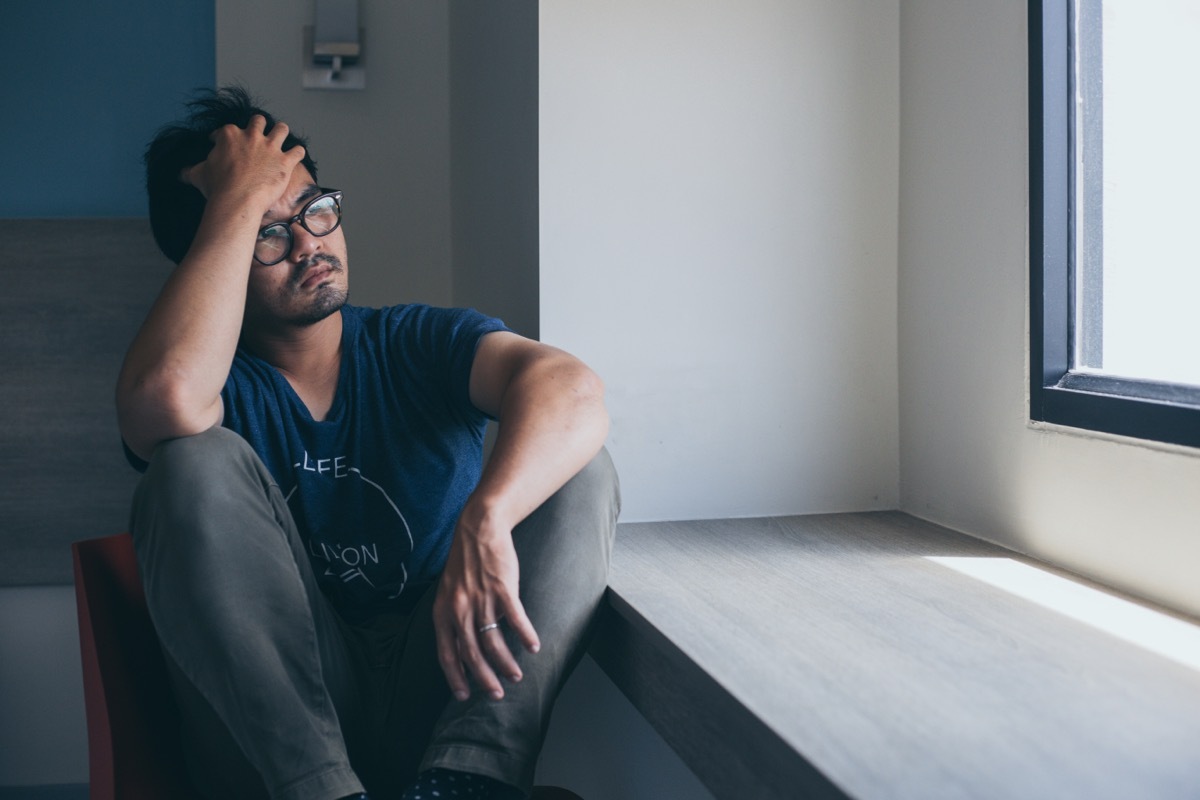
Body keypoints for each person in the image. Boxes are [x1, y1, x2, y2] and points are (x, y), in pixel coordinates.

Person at [116, 86, 619, 800]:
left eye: (314, 209)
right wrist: (235, 198)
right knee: (188, 461)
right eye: (266, 231)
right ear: (214, 250)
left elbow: (573, 390)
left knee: (577, 466)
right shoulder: (214, 390)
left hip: (437, 688)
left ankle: (470, 783)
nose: (309, 245)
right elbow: (164, 400)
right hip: (279, 748)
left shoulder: (413, 343)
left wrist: (488, 516)